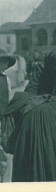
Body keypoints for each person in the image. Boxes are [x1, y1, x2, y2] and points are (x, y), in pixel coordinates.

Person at [0, 50, 15, 182]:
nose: (3, 65)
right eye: (1, 61)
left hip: (4, 120)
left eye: (5, 62)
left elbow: (9, 99)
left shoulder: (7, 80)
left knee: (6, 153)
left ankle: (5, 184)